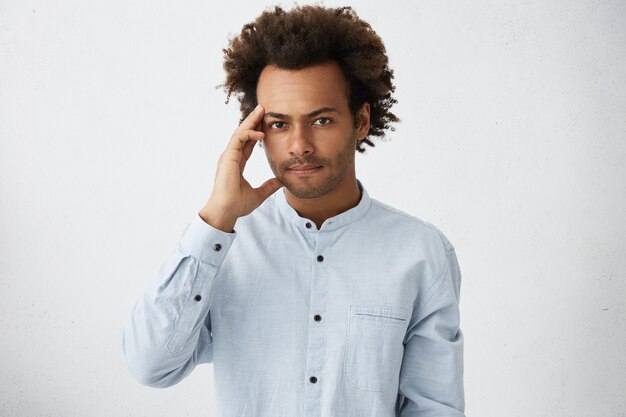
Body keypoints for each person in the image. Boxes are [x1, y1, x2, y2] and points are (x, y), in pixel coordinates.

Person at [122, 5, 465, 417]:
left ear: (360, 121)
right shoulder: (220, 246)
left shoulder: (421, 252)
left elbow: (434, 407)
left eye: (320, 120)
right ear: (255, 132)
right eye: (279, 124)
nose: (299, 144)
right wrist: (216, 217)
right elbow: (151, 367)